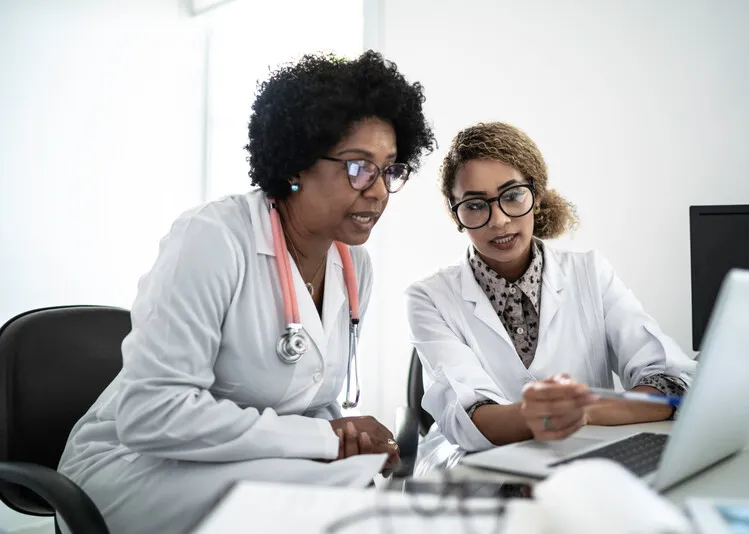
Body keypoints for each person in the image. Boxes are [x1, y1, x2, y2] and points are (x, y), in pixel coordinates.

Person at [57, 51, 435, 534]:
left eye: (390, 170)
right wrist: (322, 438)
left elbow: (307, 398)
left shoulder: (352, 265)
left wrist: (345, 436)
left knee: (353, 485)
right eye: (358, 167)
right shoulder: (213, 238)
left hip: (247, 464)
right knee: (329, 498)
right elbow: (151, 414)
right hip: (133, 466)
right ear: (296, 165)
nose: (379, 191)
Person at [405, 122, 695, 459]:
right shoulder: (428, 297)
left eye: (512, 196)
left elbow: (671, 384)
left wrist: (583, 412)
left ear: (537, 194)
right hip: (479, 470)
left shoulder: (590, 272)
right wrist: (554, 414)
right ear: (456, 213)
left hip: (583, 462)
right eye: (475, 205)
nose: (498, 220)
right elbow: (470, 419)